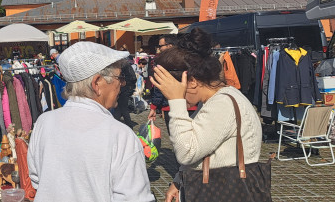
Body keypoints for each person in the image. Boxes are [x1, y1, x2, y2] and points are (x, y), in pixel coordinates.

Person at [28, 42, 154, 202]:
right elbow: (136, 198)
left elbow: (37, 180)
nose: (122, 84)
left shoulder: (44, 122)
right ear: (97, 83)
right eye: (119, 77)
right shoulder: (121, 135)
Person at [150, 28, 262, 202]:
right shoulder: (215, 99)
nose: (172, 96)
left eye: (175, 90)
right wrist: (180, 181)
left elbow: (187, 152)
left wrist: (176, 102)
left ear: (192, 82)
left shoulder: (223, 104)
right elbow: (200, 146)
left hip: (227, 191)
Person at [147, 34, 178, 128]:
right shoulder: (185, 58)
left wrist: (154, 106)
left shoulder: (163, 62)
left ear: (170, 46)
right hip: (188, 104)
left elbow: (160, 86)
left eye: (160, 46)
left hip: (170, 104)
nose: (159, 49)